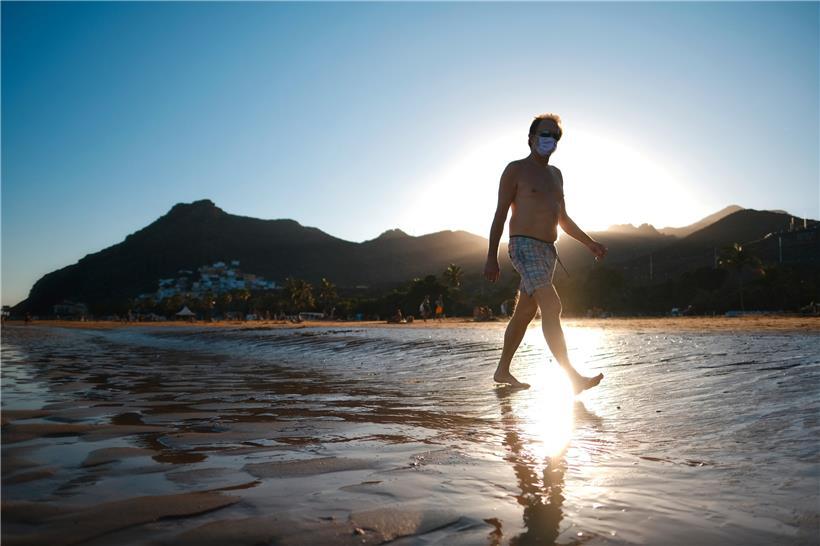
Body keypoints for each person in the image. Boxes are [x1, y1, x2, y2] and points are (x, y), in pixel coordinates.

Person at [484, 113, 607, 393]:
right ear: (531, 138)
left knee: (525, 312)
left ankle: (502, 370)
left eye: (555, 136)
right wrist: (491, 256)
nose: (549, 139)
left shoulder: (556, 176)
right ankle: (572, 378)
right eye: (545, 134)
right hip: (523, 246)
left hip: (548, 252)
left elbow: (562, 218)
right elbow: (500, 214)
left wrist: (589, 243)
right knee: (552, 306)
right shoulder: (515, 170)